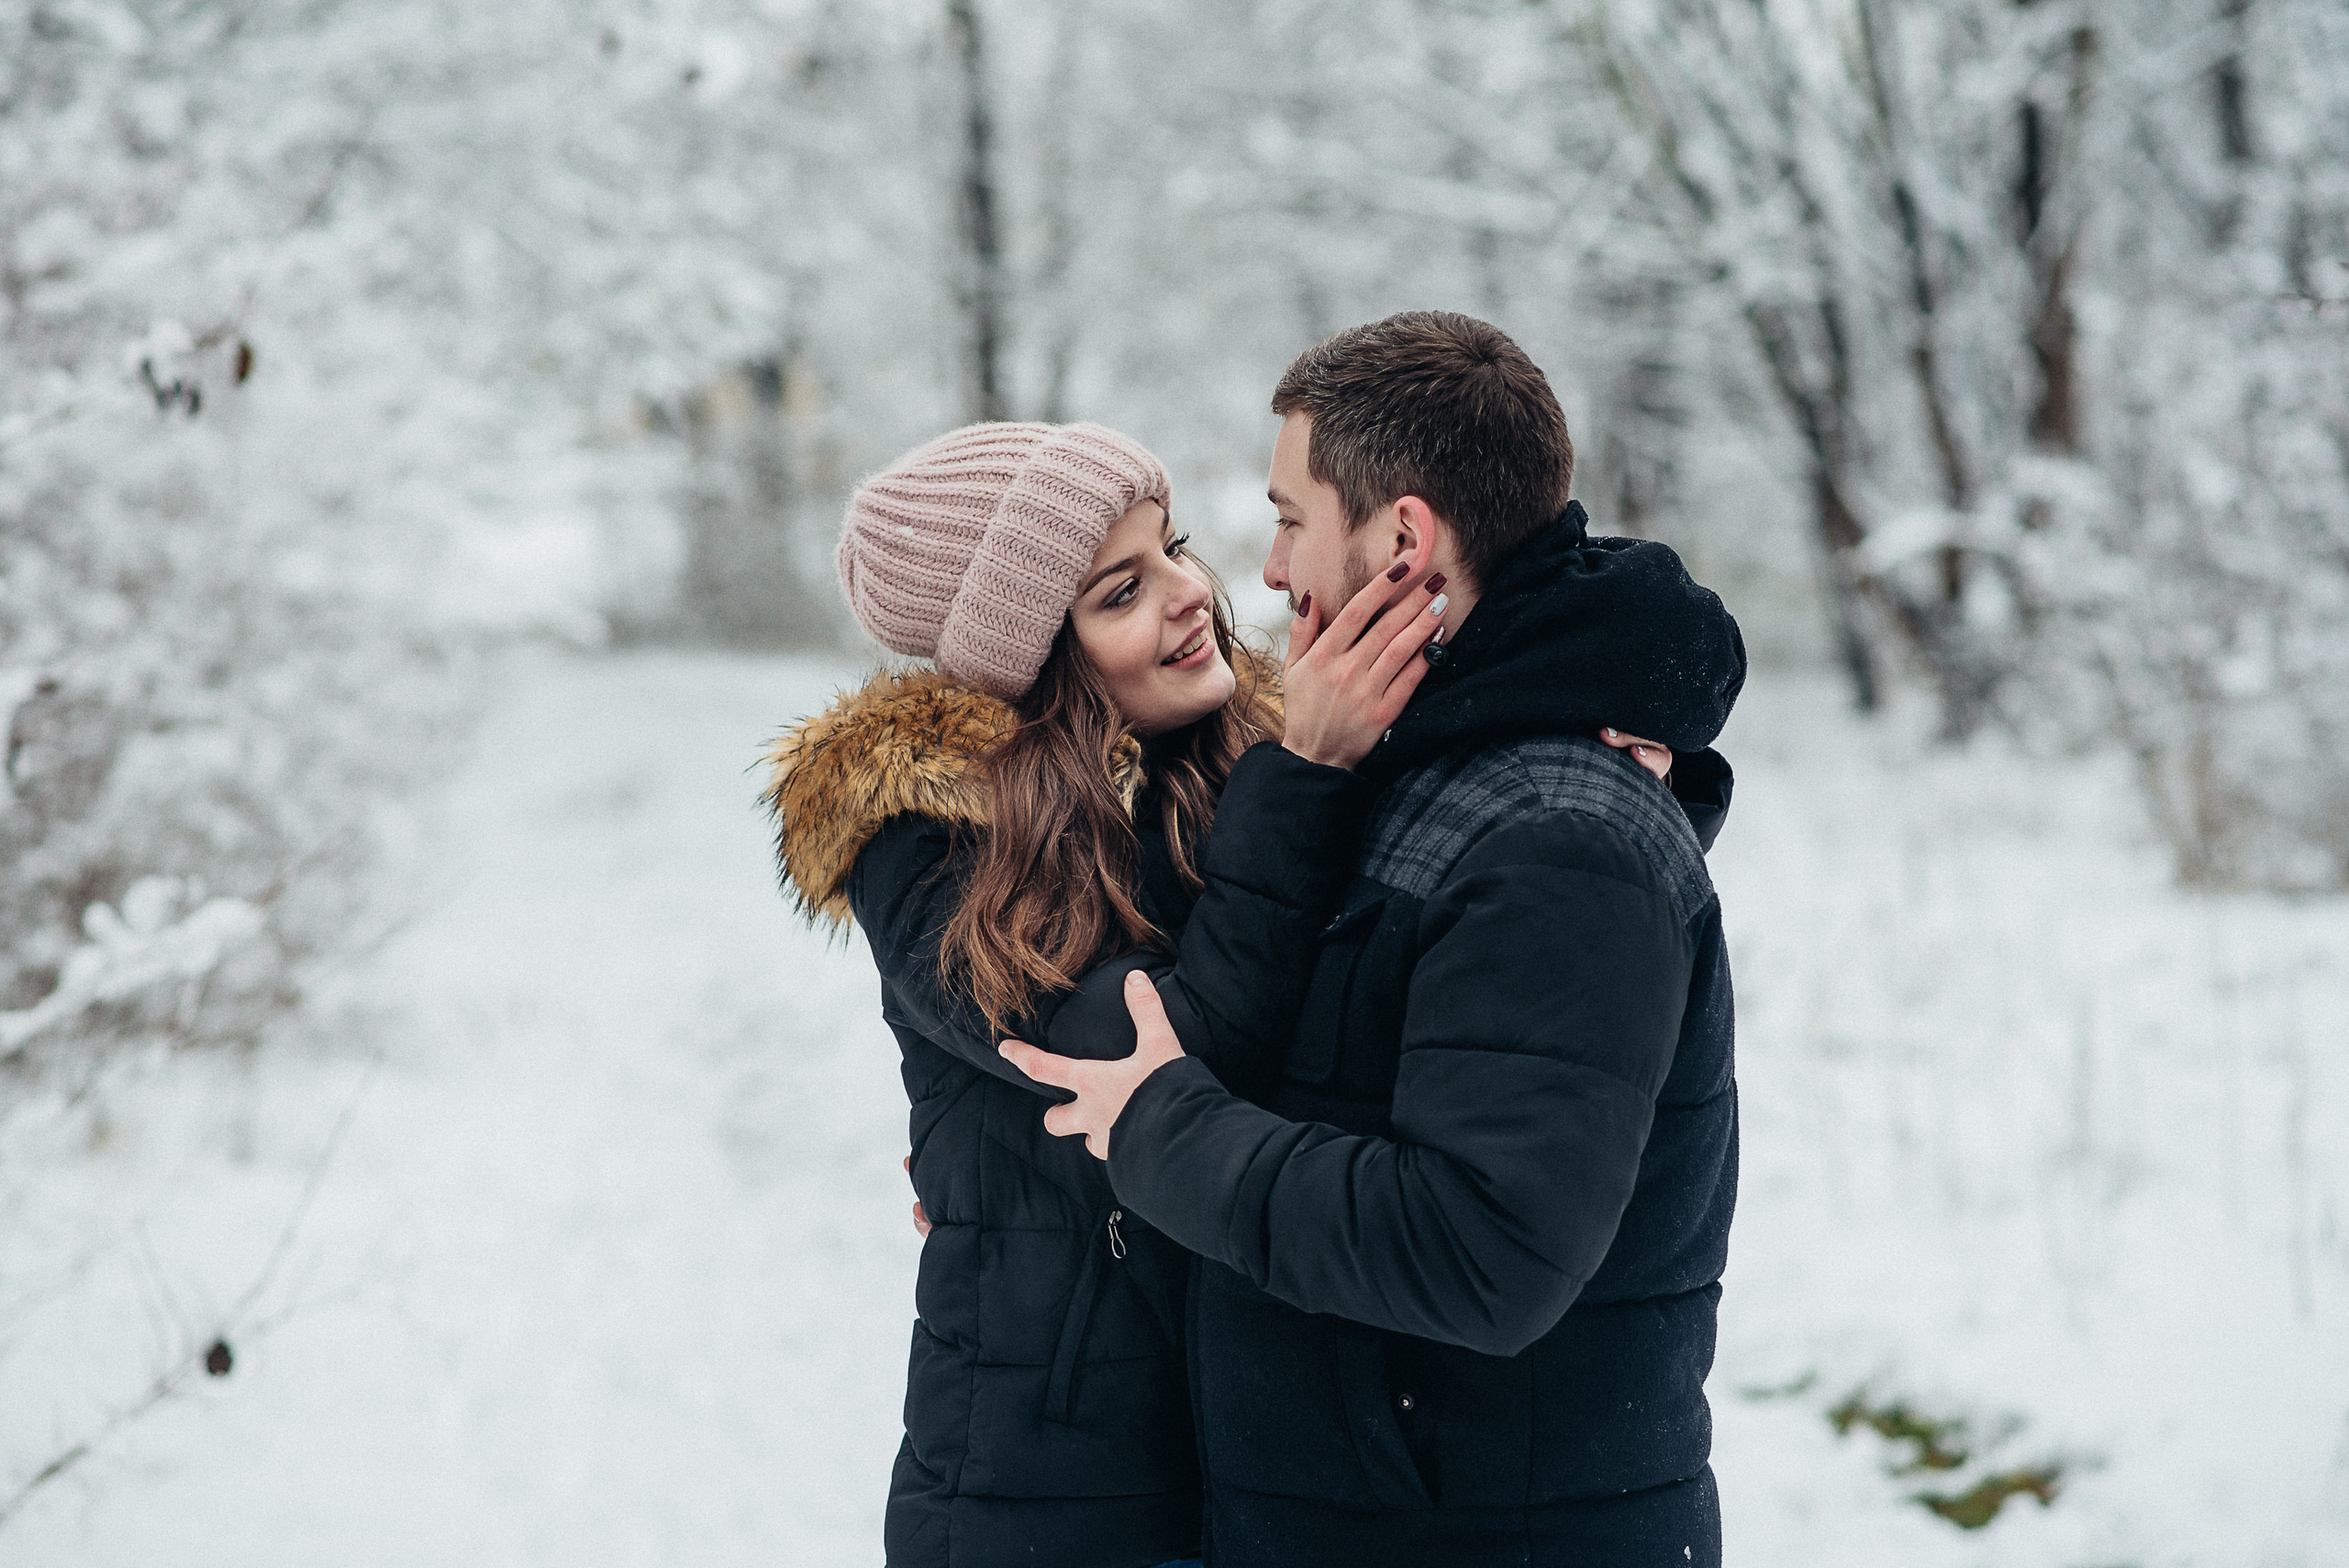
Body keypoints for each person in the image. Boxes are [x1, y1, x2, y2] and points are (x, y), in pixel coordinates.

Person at [763, 416, 1722, 1568]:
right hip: (1061, 1496)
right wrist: (1308, 774)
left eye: (1172, 547)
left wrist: (1617, 776)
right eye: (1121, 590)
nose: (1190, 594)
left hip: (1263, 1466)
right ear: (1031, 660)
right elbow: (1178, 1052)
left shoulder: (1235, 758)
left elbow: (1458, 894)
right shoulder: (930, 852)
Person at [1000, 313, 1747, 1567]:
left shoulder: (1560, 832)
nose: (1274, 570)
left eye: (1292, 517)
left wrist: (1155, 1123)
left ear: (1404, 540)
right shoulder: (1430, 764)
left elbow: (1478, 1252)